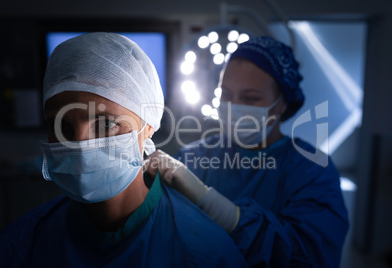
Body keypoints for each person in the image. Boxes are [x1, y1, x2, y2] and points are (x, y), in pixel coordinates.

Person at [0, 32, 248, 267]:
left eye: (106, 124)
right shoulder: (22, 246)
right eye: (62, 126)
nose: (80, 144)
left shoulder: (205, 253)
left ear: (147, 127)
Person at [145, 36, 349, 267]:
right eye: (226, 95)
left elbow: (309, 256)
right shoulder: (195, 156)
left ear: (282, 102)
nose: (233, 106)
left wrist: (213, 205)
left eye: (250, 98)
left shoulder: (312, 170)